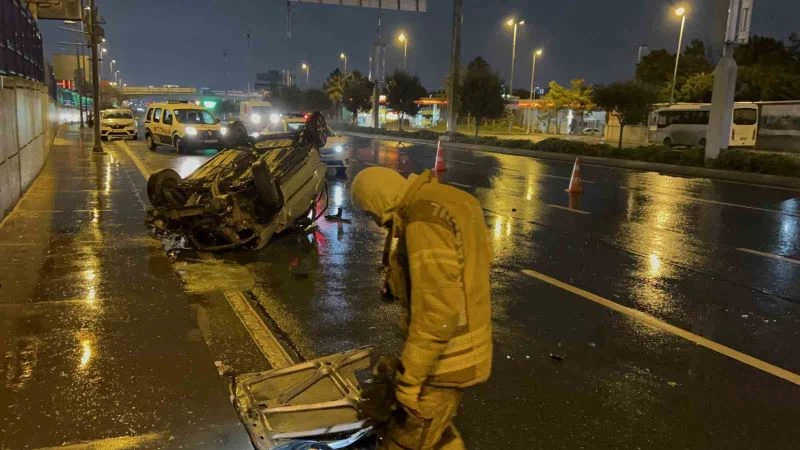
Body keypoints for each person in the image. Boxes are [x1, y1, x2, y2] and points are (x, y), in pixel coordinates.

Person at [351, 167, 493, 450]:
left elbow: (437, 312)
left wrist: (410, 379)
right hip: (467, 345)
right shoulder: (448, 198)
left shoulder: (422, 218)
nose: (377, 222)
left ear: (378, 198)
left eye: (370, 212)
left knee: (406, 441)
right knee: (437, 436)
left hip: (445, 360)